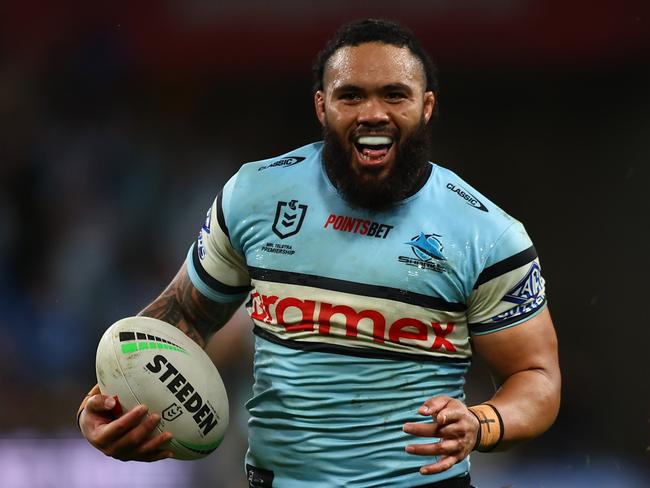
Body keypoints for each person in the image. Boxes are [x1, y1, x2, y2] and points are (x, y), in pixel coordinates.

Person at [77, 18, 560, 488]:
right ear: (322, 106)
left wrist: (483, 423)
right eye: (351, 95)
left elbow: (536, 378)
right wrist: (112, 398)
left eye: (395, 94)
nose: (373, 112)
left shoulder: (488, 235)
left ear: (427, 106)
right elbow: (184, 315)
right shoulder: (254, 196)